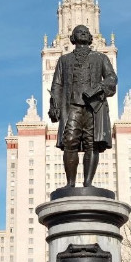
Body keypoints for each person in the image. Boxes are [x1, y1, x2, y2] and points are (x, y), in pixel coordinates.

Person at [48, 24, 117, 188]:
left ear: (90, 37)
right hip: (72, 106)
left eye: (86, 32)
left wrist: (98, 88)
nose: (84, 33)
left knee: (91, 143)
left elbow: (111, 78)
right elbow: (57, 84)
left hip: (94, 107)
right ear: (73, 37)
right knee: (69, 141)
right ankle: (70, 183)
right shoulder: (64, 60)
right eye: (79, 32)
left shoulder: (100, 58)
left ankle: (88, 183)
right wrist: (55, 106)